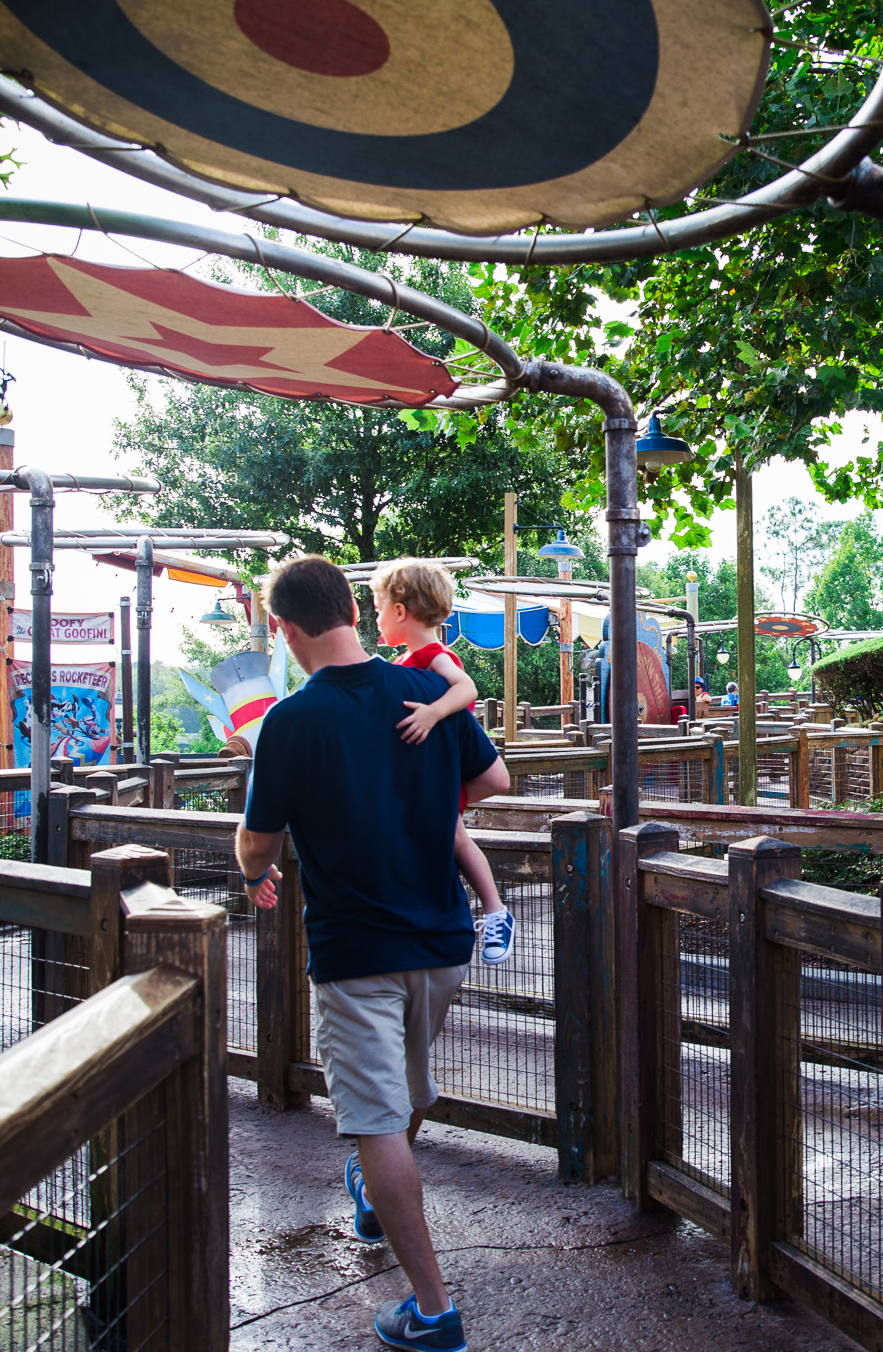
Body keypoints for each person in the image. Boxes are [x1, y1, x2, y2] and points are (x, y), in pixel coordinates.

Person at [236, 554, 510, 1352]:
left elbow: (259, 841)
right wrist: (421, 799)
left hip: (356, 949)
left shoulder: (289, 721)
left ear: (287, 631)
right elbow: (490, 777)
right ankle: (374, 1189)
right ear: (355, 610)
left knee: (376, 1118)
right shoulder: (426, 688)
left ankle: (433, 1309)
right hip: (442, 940)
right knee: (400, 1100)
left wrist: (254, 871)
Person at [369, 557, 512, 964]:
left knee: (455, 838)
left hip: (454, 756)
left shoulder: (433, 653)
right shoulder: (404, 662)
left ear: (400, 610)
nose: (377, 617)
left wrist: (433, 713)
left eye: (379, 607)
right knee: (450, 835)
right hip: (441, 770)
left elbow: (466, 688)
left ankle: (496, 910)